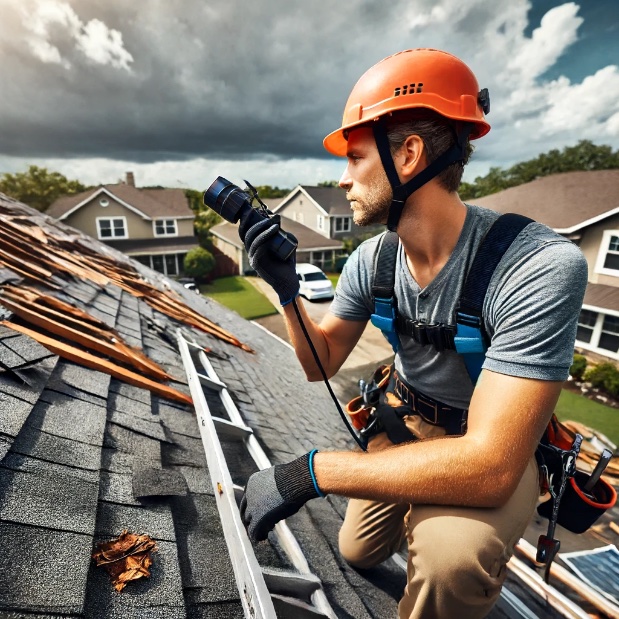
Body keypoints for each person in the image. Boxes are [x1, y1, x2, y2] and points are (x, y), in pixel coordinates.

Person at [239, 48, 588, 618]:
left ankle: (444, 543)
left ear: (408, 154)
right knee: (354, 551)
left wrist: (312, 472)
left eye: (354, 158)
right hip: (405, 423)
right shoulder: (372, 262)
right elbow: (320, 363)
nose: (343, 177)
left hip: (487, 444)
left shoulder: (535, 266)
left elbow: (493, 464)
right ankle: (420, 503)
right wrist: (286, 292)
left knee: (451, 559)